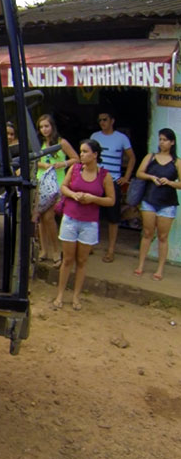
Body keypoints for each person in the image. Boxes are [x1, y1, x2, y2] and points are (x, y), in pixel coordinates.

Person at [53, 139, 115, 311]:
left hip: (89, 223)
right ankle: (60, 294)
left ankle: (76, 296)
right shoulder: (74, 169)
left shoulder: (105, 175)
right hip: (70, 219)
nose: (81, 154)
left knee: (82, 261)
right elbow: (63, 187)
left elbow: (111, 200)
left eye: (85, 151)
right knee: (67, 259)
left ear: (95, 155)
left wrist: (93, 199)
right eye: (81, 151)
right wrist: (74, 195)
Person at [134, 128, 181, 281]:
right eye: (160, 139)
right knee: (147, 233)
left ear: (172, 142)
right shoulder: (151, 157)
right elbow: (139, 173)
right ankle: (140, 265)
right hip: (149, 200)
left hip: (168, 203)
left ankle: (160, 269)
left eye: (165, 140)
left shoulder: (177, 162)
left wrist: (170, 183)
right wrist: (151, 177)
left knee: (163, 236)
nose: (162, 142)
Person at [91, 110, 136, 263]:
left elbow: (132, 158)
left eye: (105, 119)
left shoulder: (121, 138)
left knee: (113, 218)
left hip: (113, 181)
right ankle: (90, 244)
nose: (102, 122)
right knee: (92, 214)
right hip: (96, 180)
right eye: (99, 120)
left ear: (112, 121)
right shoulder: (95, 137)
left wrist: (126, 177)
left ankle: (111, 250)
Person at [36, 114, 79, 267]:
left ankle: (55, 250)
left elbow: (76, 159)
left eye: (46, 126)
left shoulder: (62, 142)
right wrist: (43, 165)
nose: (44, 130)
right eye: (41, 127)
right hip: (41, 182)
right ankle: (44, 250)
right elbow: (33, 160)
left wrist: (62, 163)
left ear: (52, 127)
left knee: (49, 217)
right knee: (40, 218)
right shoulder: (37, 143)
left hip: (57, 184)